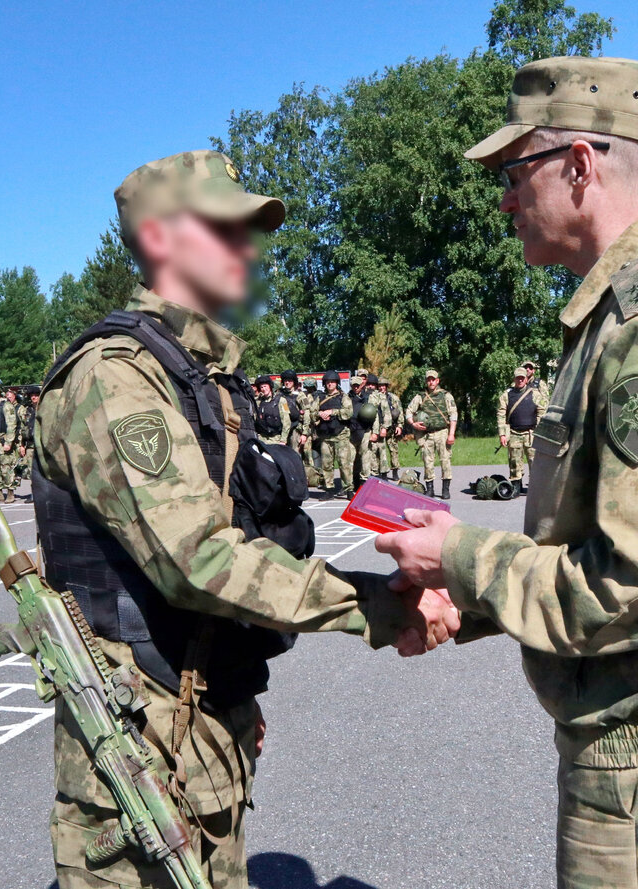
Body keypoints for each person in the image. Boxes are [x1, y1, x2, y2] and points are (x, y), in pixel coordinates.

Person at [376, 56, 638, 889]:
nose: (503, 197)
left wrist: (462, 557)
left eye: (514, 171)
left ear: (579, 165)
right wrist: (474, 599)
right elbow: (605, 545)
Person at [33, 150, 455, 889]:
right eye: (224, 229)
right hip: (136, 754)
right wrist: (379, 606)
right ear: (162, 241)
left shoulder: (200, 376)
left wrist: (232, 685)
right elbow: (198, 557)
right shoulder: (116, 376)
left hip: (199, 727)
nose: (247, 249)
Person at [405, 369, 457, 499]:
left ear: (437, 380)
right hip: (426, 435)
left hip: (442, 433)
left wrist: (451, 434)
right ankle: (430, 488)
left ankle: (445, 489)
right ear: (426, 381)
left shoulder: (446, 396)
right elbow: (409, 411)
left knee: (445, 461)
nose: (431, 382)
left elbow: (453, 415)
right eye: (428, 379)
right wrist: (413, 424)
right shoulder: (420, 397)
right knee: (427, 462)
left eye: (433, 379)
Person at [496, 367, 543, 497]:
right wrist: (502, 434)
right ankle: (516, 487)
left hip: (531, 434)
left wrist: (540, 431)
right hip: (514, 433)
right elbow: (501, 414)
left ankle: (536, 489)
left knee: (535, 463)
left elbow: (541, 412)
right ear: (514, 379)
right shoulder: (506, 395)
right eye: (518, 378)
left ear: (526, 379)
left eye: (523, 378)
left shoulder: (535, 394)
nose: (520, 380)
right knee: (514, 463)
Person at [312, 370, 354, 498]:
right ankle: (329, 489)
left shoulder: (343, 397)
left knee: (344, 462)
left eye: (332, 382)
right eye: (328, 382)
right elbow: (312, 413)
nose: (330, 384)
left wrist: (332, 412)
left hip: (340, 434)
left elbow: (348, 412)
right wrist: (319, 414)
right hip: (326, 435)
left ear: (337, 383)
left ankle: (348, 489)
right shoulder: (320, 398)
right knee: (326, 464)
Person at [252, 375, 290, 445]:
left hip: (276, 438)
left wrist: (283, 440)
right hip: (261, 438)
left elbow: (287, 421)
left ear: (270, 386)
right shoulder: (257, 402)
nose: (264, 389)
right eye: (261, 387)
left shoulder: (282, 401)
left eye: (265, 386)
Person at [377, 377, 403, 481]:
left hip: (392, 428)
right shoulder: (375, 397)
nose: (382, 388)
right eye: (380, 386)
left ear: (387, 387)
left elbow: (400, 412)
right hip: (380, 428)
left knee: (394, 450)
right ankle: (382, 472)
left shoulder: (393, 398)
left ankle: (395, 471)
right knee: (380, 452)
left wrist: (400, 426)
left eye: (384, 385)